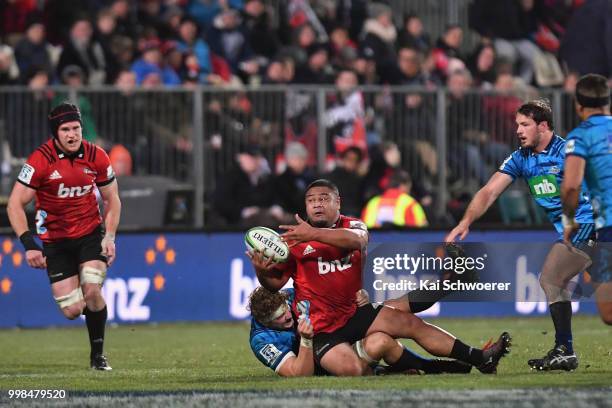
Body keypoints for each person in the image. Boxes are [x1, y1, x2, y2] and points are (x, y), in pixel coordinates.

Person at [250, 179, 510, 376]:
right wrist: (262, 270)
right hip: (321, 330)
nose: (317, 204)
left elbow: (357, 241)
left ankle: (480, 358)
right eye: (311, 200)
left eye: (324, 198)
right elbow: (276, 284)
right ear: (305, 205)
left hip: (354, 312)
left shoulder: (351, 225)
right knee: (353, 369)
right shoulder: (295, 240)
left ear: (337, 202)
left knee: (411, 323)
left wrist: (313, 235)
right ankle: (411, 366)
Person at [446, 99, 595, 372]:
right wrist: (465, 221)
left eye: (525, 124)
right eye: (517, 124)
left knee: (552, 277)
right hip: (573, 230)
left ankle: (565, 349)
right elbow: (490, 190)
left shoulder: (569, 152)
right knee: (558, 282)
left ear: (543, 126)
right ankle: (565, 350)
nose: (518, 130)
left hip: (591, 223)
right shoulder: (521, 158)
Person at [7, 102, 121, 370]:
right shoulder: (39, 160)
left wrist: (110, 237)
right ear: (55, 133)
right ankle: (93, 310)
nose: (73, 135)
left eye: (76, 128)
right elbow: (14, 203)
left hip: (90, 234)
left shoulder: (97, 156)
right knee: (71, 311)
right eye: (66, 129)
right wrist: (29, 245)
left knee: (92, 288)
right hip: (55, 242)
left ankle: (97, 356)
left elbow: (112, 199)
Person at [248, 286, 471, 377]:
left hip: (339, 337)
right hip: (325, 360)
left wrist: (359, 296)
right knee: (380, 341)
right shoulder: (261, 339)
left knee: (391, 308)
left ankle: (447, 284)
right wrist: (306, 340)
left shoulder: (292, 294)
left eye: (284, 310)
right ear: (264, 321)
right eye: (276, 318)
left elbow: (339, 300)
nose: (286, 317)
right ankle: (416, 368)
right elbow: (299, 374)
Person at [561, 73, 612, 325]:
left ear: (578, 105)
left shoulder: (580, 136)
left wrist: (568, 220)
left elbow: (571, 186)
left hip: (609, 226)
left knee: (608, 312)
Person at [361, 170, 428, 228]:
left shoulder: (372, 203)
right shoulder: (410, 204)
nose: (409, 191)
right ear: (404, 186)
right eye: (409, 188)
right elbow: (423, 232)